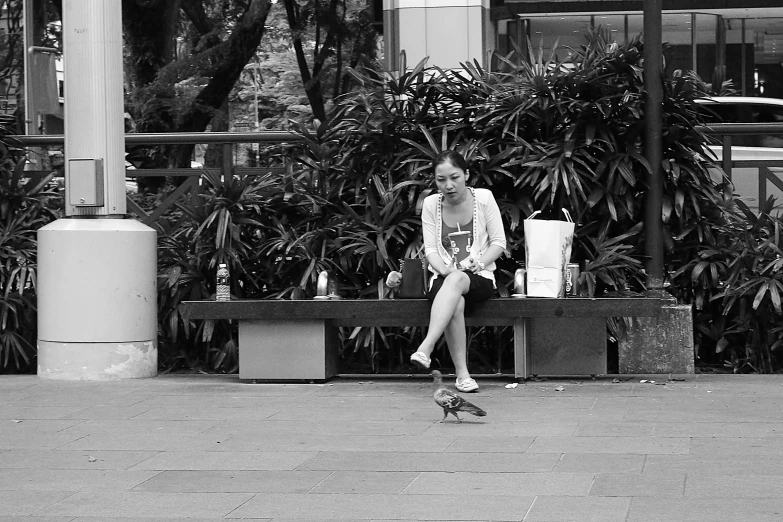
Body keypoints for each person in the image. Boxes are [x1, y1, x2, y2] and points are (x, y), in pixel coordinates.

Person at [405, 150, 507, 392]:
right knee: (456, 302)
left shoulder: (483, 198)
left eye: (455, 177)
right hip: (442, 278)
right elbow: (430, 249)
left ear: (467, 175)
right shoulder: (431, 204)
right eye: (441, 180)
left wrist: (480, 263)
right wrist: (443, 269)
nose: (448, 185)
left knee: (459, 278)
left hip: (479, 277)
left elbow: (499, 243)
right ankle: (463, 376)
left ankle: (426, 348)